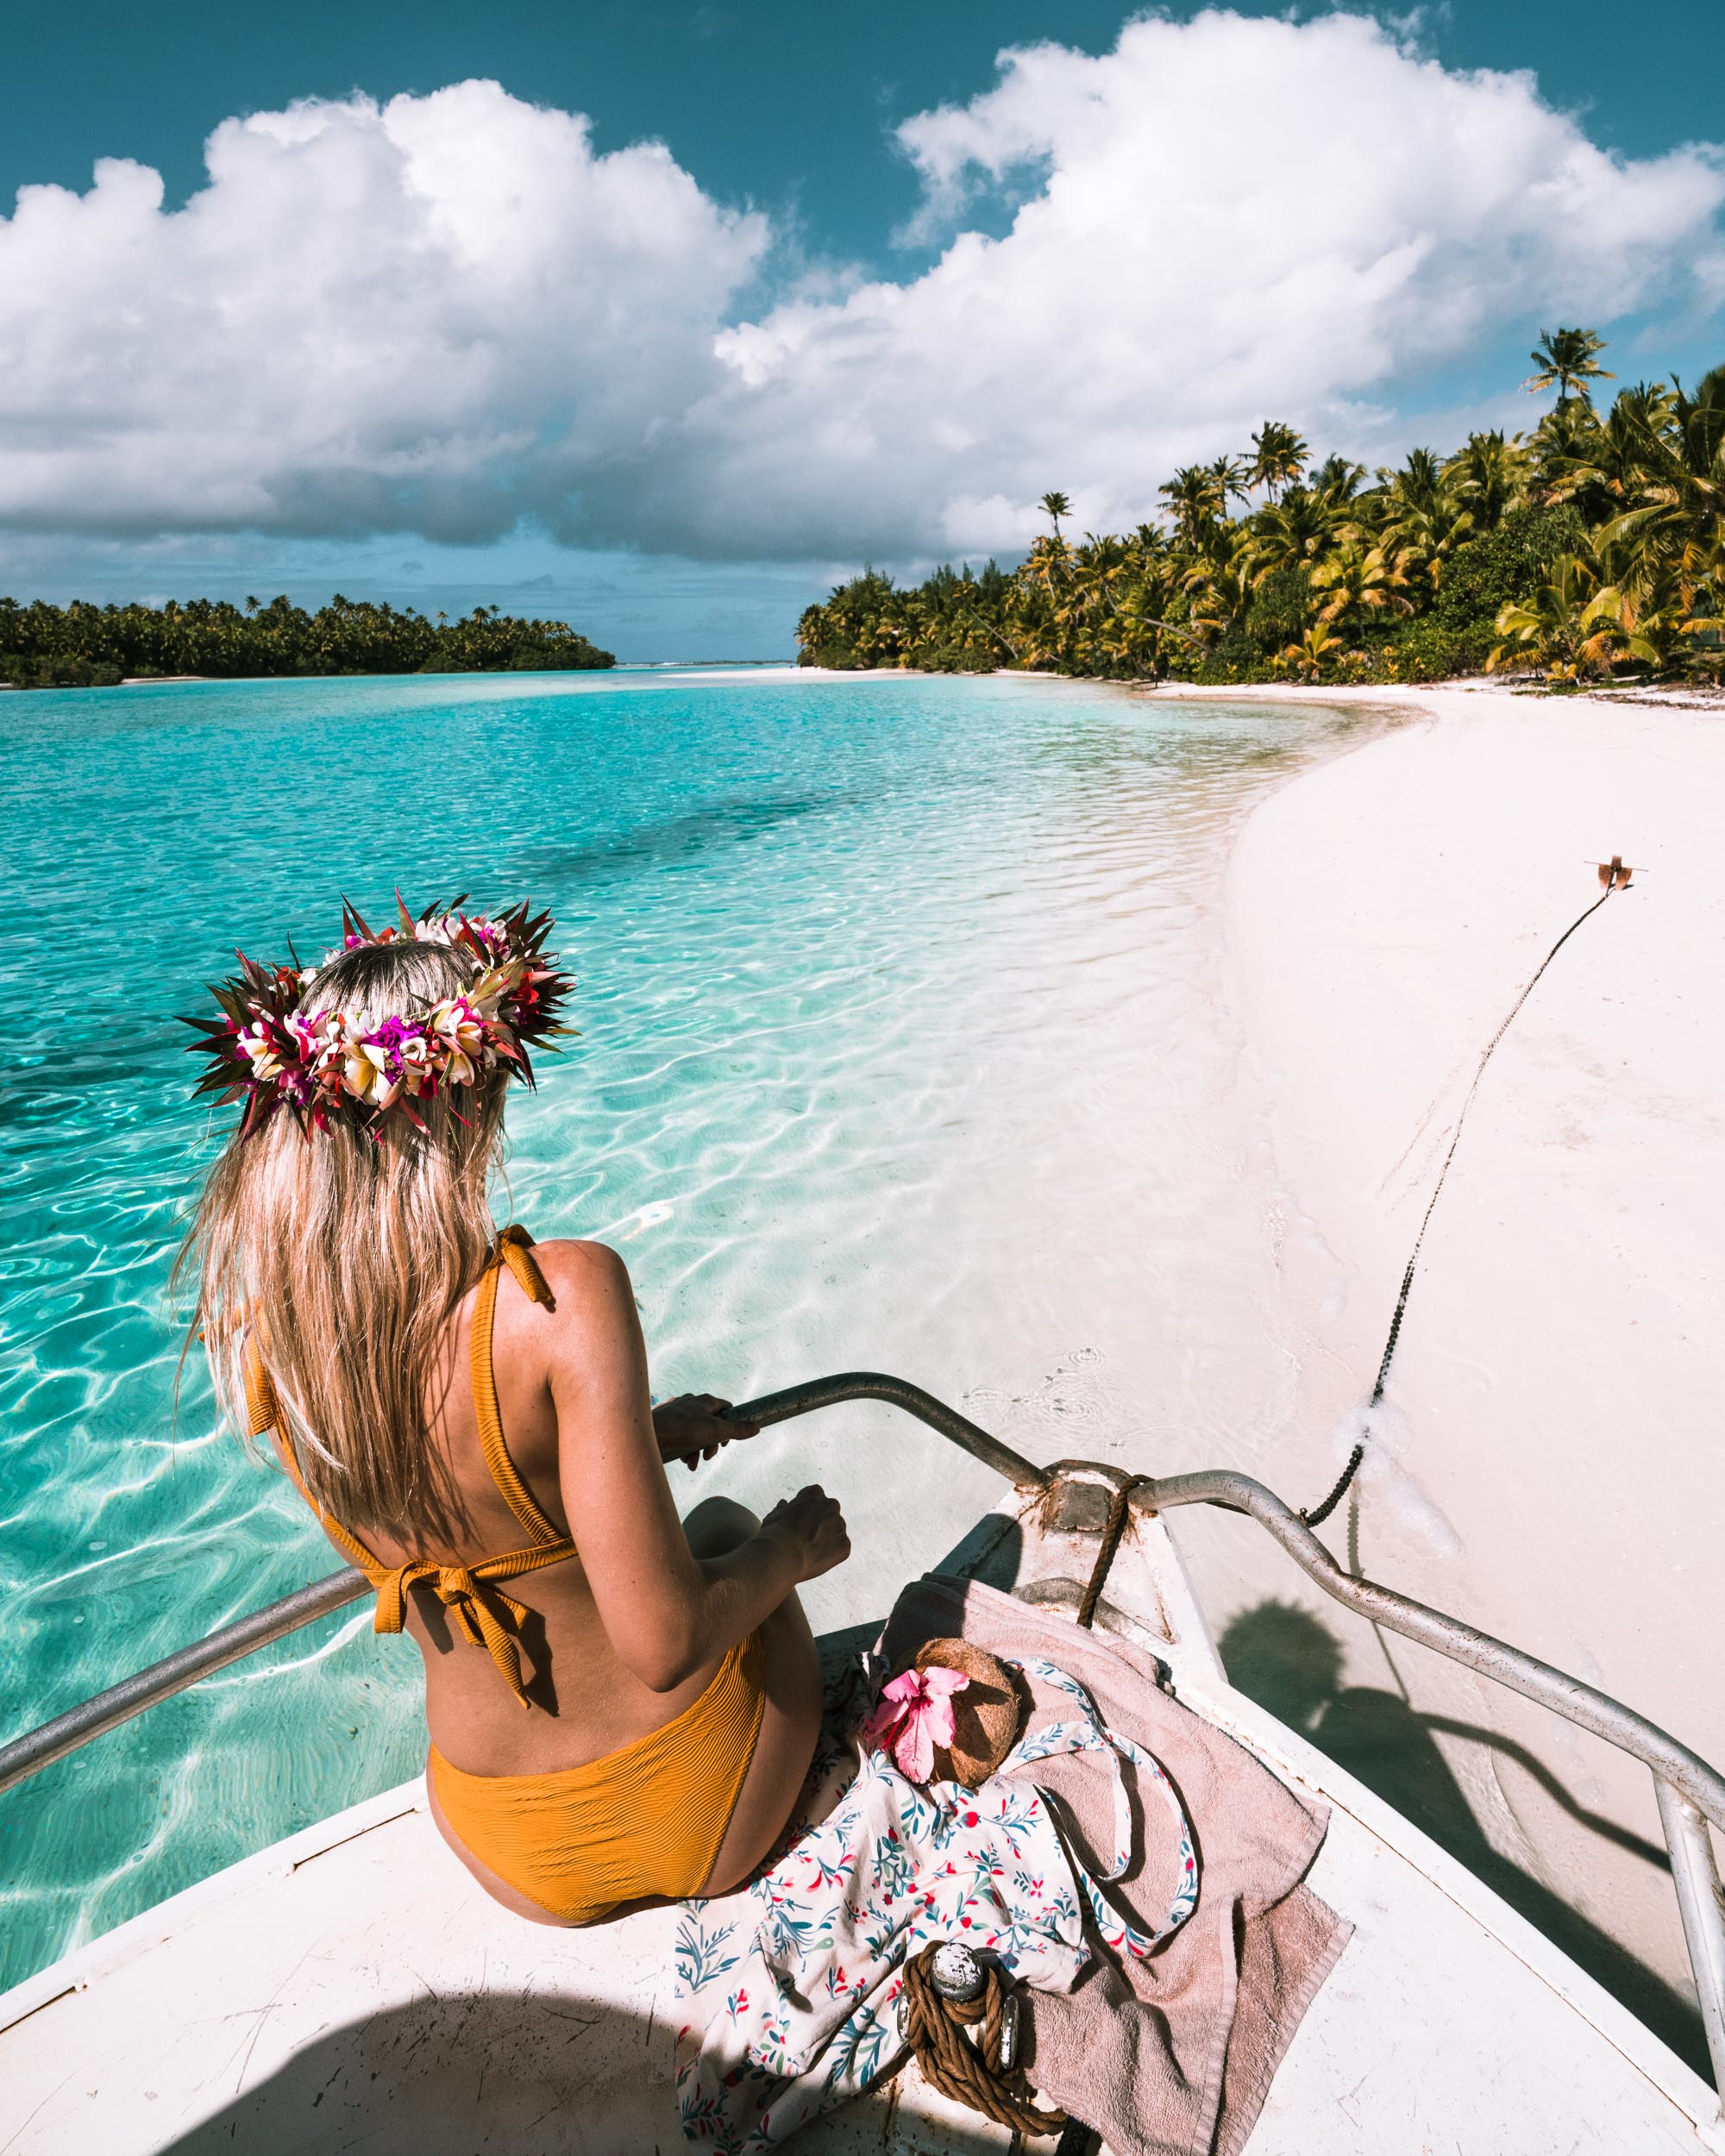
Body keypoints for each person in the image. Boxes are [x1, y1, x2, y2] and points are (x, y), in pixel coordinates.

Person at [177, 896, 849, 1926]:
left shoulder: (280, 1345)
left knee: (695, 1538)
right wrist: (790, 1553)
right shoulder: (554, 1297)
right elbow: (664, 1640)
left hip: (503, 1846)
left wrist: (627, 1433)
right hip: (698, 1807)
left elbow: (449, 1471)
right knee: (726, 1531)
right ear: (468, 1101)